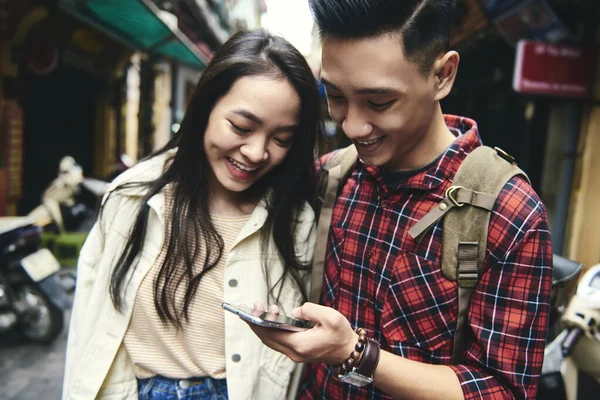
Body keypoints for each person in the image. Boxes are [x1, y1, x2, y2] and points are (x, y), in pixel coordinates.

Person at [248, 1, 553, 399]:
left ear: (442, 75)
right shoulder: (332, 175)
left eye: (379, 102)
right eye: (335, 95)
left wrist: (353, 353)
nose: (353, 125)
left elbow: (503, 390)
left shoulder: (510, 213)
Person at [62, 29, 322, 400]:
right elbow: (89, 322)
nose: (256, 152)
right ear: (204, 108)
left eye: (282, 139)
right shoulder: (133, 195)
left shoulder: (296, 219)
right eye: (241, 127)